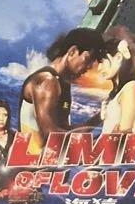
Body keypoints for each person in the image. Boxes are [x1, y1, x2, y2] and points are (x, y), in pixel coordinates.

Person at [19, 28, 106, 156]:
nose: (89, 67)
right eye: (88, 59)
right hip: (32, 163)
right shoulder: (47, 81)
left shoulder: (63, 83)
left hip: (48, 161)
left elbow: (64, 129)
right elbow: (51, 135)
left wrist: (99, 118)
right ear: (72, 52)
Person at [97, 36, 135, 134]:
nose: (99, 68)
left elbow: (125, 134)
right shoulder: (121, 90)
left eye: (102, 61)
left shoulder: (131, 88)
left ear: (118, 57)